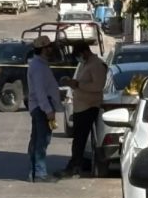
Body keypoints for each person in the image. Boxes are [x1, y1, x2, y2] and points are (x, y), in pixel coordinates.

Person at [56, 41, 108, 178]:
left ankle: (74, 166)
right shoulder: (85, 64)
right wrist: (71, 83)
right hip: (80, 106)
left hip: (89, 106)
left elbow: (98, 86)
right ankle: (76, 165)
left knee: (79, 140)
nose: (79, 58)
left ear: (85, 52)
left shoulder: (96, 64)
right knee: (78, 139)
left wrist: (78, 84)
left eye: (79, 55)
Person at [26, 35, 64, 183]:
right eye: (49, 47)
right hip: (42, 107)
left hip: (42, 106)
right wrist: (48, 110)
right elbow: (40, 91)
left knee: (38, 140)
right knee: (41, 141)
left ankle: (34, 173)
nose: (51, 50)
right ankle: (39, 173)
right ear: (42, 49)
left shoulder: (41, 64)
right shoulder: (38, 67)